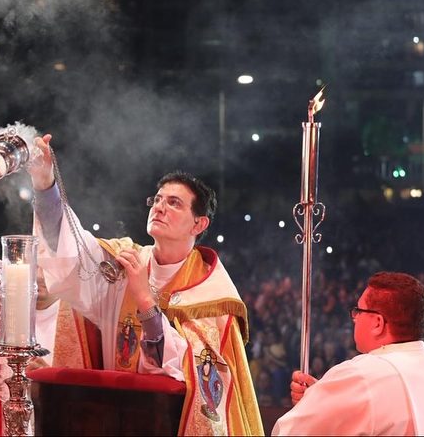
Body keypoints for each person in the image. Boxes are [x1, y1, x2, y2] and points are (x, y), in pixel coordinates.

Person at [30, 134, 262, 436]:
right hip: (109, 417)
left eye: (175, 203)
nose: (160, 207)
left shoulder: (211, 294)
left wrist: (143, 297)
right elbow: (69, 254)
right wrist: (45, 184)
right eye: (157, 199)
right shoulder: (121, 262)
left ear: (198, 224)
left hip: (167, 424)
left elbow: (196, 376)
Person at [273, 271, 424, 436]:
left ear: (378, 323)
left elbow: (290, 433)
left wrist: (314, 406)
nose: (355, 318)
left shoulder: (360, 376)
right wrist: (321, 399)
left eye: (358, 310)